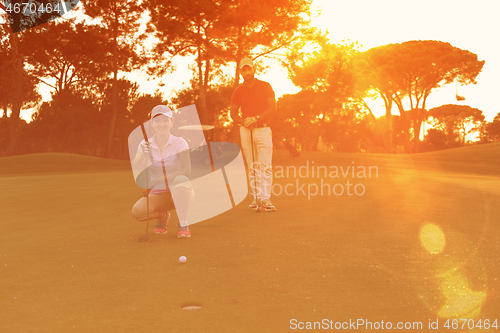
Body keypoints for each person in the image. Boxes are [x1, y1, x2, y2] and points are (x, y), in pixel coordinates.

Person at [131, 105, 194, 237]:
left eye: (165, 120)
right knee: (137, 212)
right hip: (158, 195)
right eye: (157, 121)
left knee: (181, 179)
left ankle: (183, 222)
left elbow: (186, 170)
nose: (162, 124)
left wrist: (155, 181)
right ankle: (162, 216)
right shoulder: (145, 143)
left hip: (179, 190)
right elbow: (136, 164)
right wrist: (142, 153)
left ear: (171, 122)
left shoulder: (179, 142)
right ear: (152, 123)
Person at [230, 57, 277, 212]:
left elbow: (272, 107)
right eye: (244, 69)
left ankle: (266, 199)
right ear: (241, 72)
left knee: (265, 165)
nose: (247, 72)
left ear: (254, 69)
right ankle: (256, 198)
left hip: (263, 129)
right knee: (252, 165)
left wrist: (256, 118)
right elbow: (233, 113)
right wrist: (243, 122)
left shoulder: (265, 86)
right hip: (246, 130)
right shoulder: (238, 91)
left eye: (249, 68)